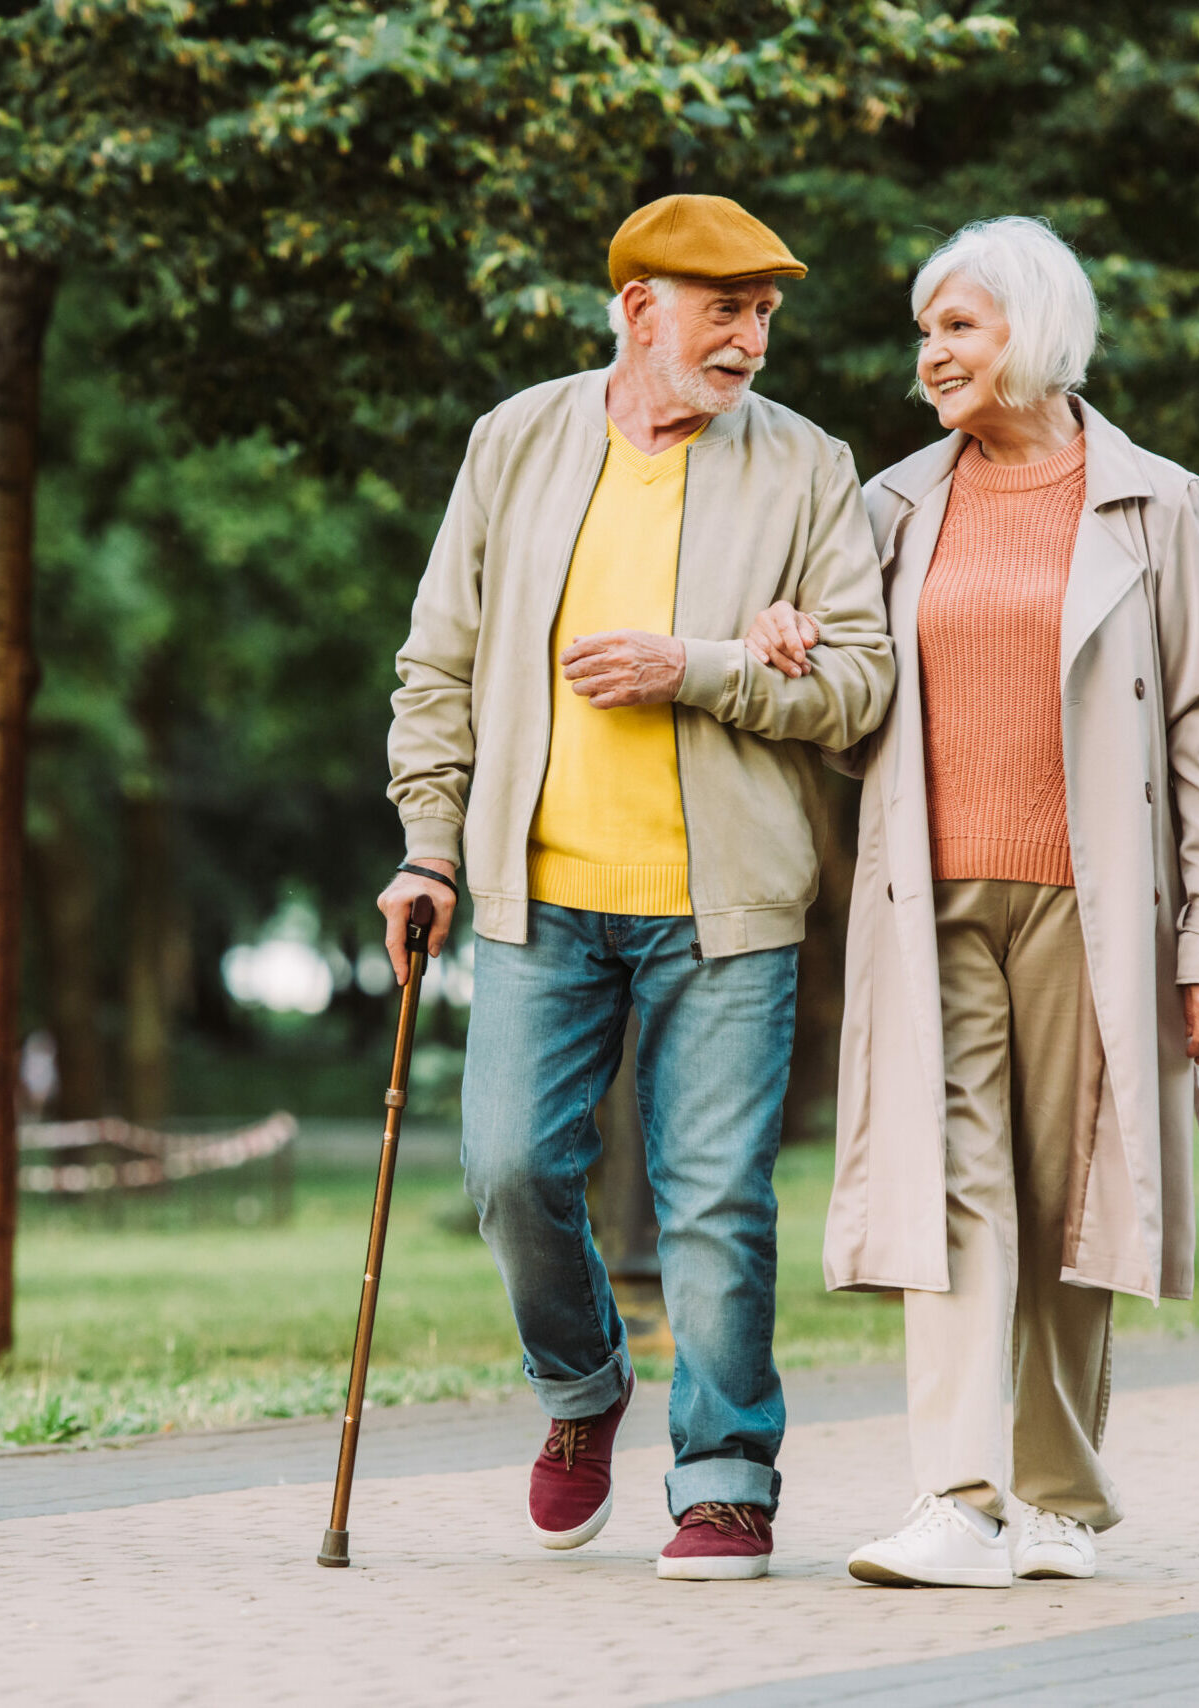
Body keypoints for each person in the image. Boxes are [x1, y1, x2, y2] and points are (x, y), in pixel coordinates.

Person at [380, 194, 894, 1581]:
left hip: (727, 908)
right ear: (637, 309)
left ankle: (725, 1474)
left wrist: (706, 668)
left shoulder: (804, 467)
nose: (752, 337)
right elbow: (437, 665)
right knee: (507, 1171)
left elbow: (859, 693)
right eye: (723, 307)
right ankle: (583, 1386)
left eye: (766, 312)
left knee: (717, 1198)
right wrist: (430, 844)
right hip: (539, 901)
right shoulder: (520, 442)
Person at [748, 216, 1199, 1588]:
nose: (929, 356)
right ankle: (957, 1500)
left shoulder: (1159, 504)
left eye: (958, 327)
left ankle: (1061, 1498)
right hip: (931, 896)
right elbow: (854, 719)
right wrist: (792, 653)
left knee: (1072, 1189)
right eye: (925, 332)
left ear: (1036, 330)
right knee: (953, 1188)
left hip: (1098, 902)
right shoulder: (893, 506)